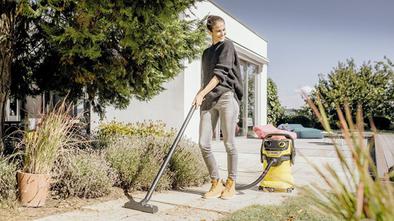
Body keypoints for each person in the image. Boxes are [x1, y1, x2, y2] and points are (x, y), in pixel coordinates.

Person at [193, 15, 243, 200]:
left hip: (226, 97)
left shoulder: (227, 46)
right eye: (218, 30)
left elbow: (220, 75)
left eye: (224, 29)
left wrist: (201, 93)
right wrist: (199, 94)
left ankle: (231, 183)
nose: (222, 33)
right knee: (203, 143)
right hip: (209, 99)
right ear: (210, 32)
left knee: (229, 143)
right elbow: (207, 78)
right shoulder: (206, 53)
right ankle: (216, 182)